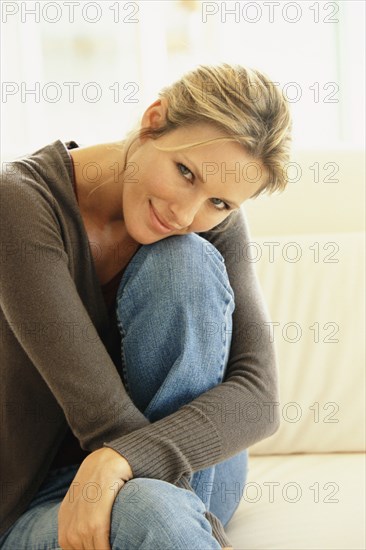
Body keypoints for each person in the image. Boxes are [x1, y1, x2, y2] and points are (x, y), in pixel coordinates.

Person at [0, 63, 292, 549]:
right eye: (185, 172)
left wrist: (121, 460)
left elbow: (259, 400)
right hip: (42, 496)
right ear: (154, 120)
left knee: (184, 259)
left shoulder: (209, 224)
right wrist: (173, 510)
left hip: (192, 469)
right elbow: (105, 420)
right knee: (153, 510)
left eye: (220, 202)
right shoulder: (20, 204)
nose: (185, 213)